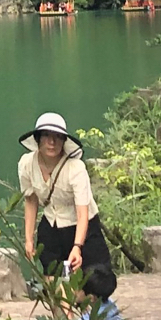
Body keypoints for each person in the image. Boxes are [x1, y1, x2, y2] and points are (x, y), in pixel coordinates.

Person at [19, 112, 111, 281]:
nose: (51, 142)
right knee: (52, 278)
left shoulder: (76, 168)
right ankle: (61, 307)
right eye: (46, 135)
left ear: (64, 141)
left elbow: (82, 212)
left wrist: (77, 246)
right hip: (51, 224)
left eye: (57, 137)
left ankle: (90, 305)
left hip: (82, 226)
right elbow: (31, 200)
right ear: (38, 139)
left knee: (96, 280)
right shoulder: (26, 164)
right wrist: (28, 239)